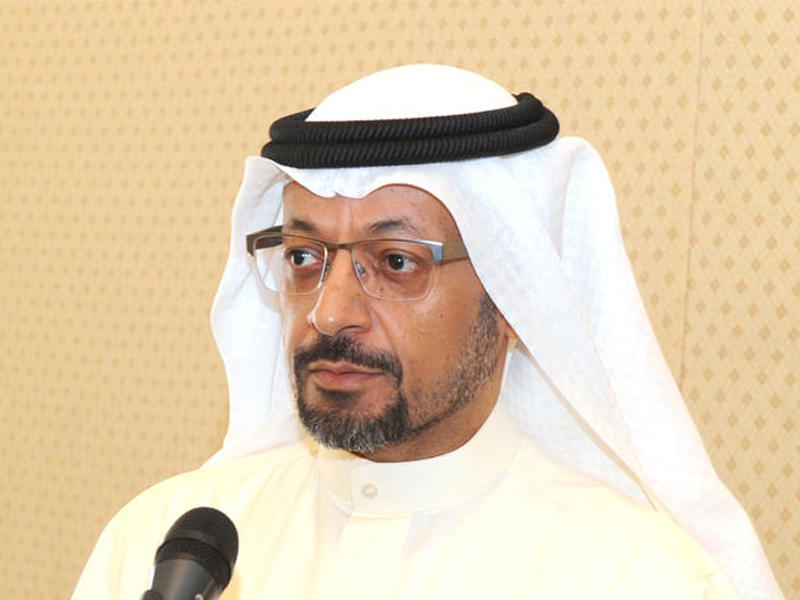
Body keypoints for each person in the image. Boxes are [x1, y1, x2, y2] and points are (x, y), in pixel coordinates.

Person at [72, 64, 784, 599]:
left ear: (512, 295)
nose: (329, 313)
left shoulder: (638, 578)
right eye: (304, 257)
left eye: (396, 262)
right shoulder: (159, 546)